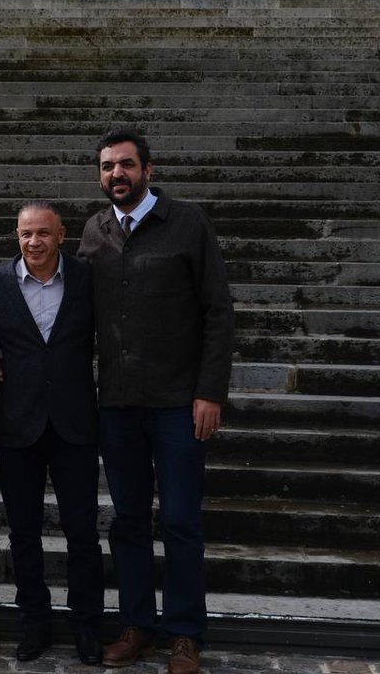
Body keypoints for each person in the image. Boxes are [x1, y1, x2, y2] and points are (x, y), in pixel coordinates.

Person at [78, 128, 234, 674]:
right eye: (106, 167)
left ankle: (186, 633)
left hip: (176, 403)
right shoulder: (94, 231)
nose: (115, 174)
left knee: (182, 522)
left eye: (125, 165)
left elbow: (218, 311)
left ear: (148, 169)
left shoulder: (188, 223)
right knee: (127, 521)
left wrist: (210, 391)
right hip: (117, 403)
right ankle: (137, 624)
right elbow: (74, 316)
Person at [0, 200, 104, 665]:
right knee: (23, 532)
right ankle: (34, 619)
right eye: (26, 234)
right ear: (16, 236)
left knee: (83, 532)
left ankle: (87, 623)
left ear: (61, 234)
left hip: (74, 423)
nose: (34, 242)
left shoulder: (88, 280)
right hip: (18, 425)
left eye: (43, 233)